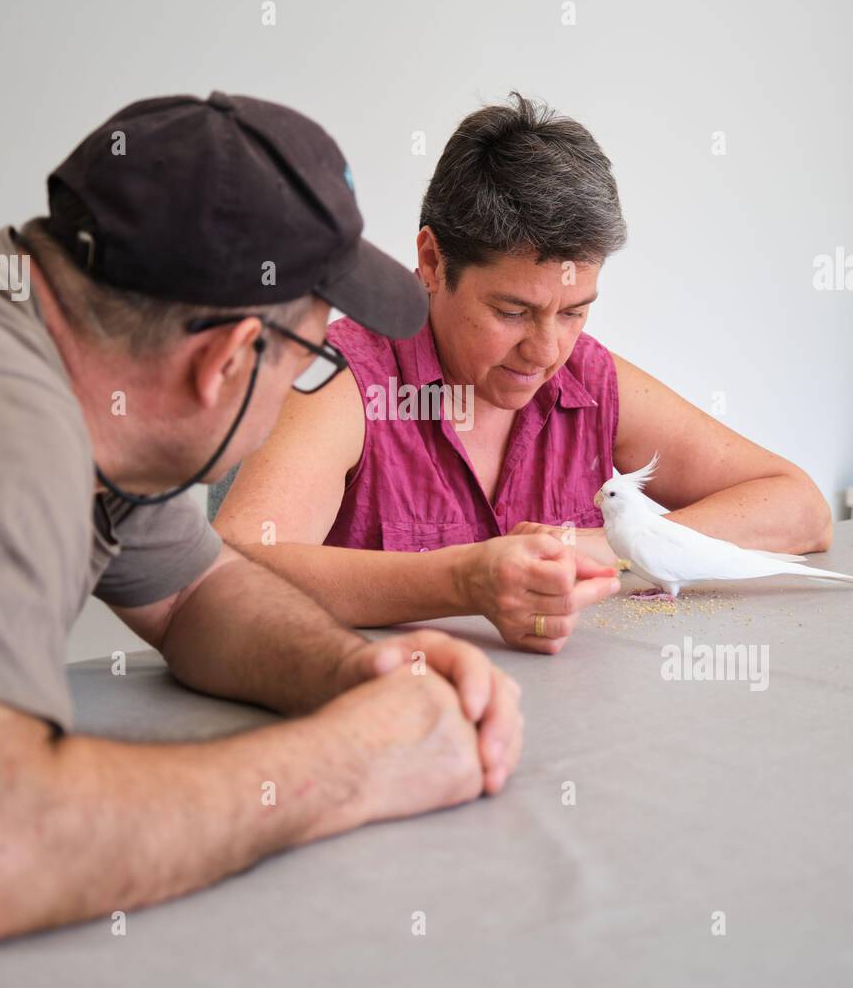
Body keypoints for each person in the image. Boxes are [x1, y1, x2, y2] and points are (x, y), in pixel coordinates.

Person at [0, 90, 532, 945]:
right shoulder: (11, 433)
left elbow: (191, 593)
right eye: (312, 355)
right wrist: (349, 766)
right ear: (229, 360)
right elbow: (4, 843)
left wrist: (361, 675)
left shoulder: (69, 356)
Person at [213, 94, 831, 651]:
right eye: (512, 311)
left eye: (574, 311)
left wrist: (599, 545)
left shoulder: (588, 379)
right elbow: (231, 567)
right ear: (431, 261)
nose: (545, 352)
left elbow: (801, 508)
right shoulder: (346, 382)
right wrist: (463, 580)